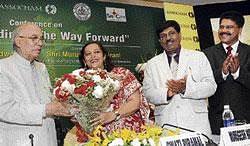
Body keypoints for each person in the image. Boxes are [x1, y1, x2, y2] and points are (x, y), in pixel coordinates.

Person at [0, 23, 72, 146]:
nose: (40, 43)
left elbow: (48, 101)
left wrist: (63, 107)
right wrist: (48, 109)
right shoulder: (3, 67)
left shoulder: (41, 67)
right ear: (18, 41)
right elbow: (4, 109)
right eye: (34, 38)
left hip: (49, 139)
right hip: (20, 141)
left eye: (41, 39)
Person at [143, 20, 217, 138]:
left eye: (171, 33)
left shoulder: (198, 57)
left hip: (196, 124)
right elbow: (147, 93)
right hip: (166, 126)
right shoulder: (152, 64)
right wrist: (167, 93)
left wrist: (185, 88)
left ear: (180, 35)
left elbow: (211, 86)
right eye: (163, 36)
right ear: (159, 41)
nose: (168, 38)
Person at [78, 41, 149, 133]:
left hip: (128, 133)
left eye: (97, 52)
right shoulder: (81, 83)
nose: (93, 56)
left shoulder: (122, 74)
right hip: (97, 135)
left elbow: (135, 102)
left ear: (104, 56)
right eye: (88, 54)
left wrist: (113, 114)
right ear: (84, 61)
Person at [203, 10, 250, 136]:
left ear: (239, 30)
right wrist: (222, 72)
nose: (224, 30)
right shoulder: (207, 54)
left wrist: (238, 72)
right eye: (221, 27)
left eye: (229, 27)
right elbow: (203, 84)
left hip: (246, 118)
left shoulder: (248, 52)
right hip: (218, 121)